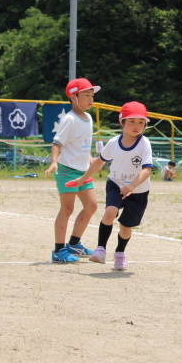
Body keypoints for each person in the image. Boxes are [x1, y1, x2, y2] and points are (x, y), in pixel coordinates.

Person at [72, 101, 153, 271]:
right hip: (116, 184)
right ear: (122, 122)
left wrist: (132, 185)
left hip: (138, 190)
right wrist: (83, 178)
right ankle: (100, 249)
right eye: (131, 121)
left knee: (126, 226)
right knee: (110, 212)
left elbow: (147, 169)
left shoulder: (144, 143)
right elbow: (99, 162)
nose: (136, 126)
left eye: (141, 122)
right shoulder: (114, 143)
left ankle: (120, 253)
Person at [44, 78, 101, 263]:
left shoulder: (89, 117)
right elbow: (57, 143)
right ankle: (58, 251)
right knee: (67, 209)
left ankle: (74, 244)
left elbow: (83, 142)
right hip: (67, 170)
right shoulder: (69, 119)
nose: (91, 99)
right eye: (86, 95)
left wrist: (90, 156)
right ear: (73, 97)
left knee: (92, 205)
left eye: (92, 95)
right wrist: (54, 162)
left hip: (83, 171)